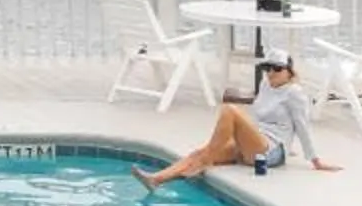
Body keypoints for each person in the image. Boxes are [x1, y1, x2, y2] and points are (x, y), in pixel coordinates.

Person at [131, 58, 341, 189]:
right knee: (198, 153)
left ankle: (207, 160)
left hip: (270, 152)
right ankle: (156, 179)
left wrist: (315, 160)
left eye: (276, 69)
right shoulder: (266, 86)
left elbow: (302, 126)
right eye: (267, 68)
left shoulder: (295, 93)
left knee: (230, 110)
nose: (270, 73)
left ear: (289, 71)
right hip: (254, 143)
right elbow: (260, 117)